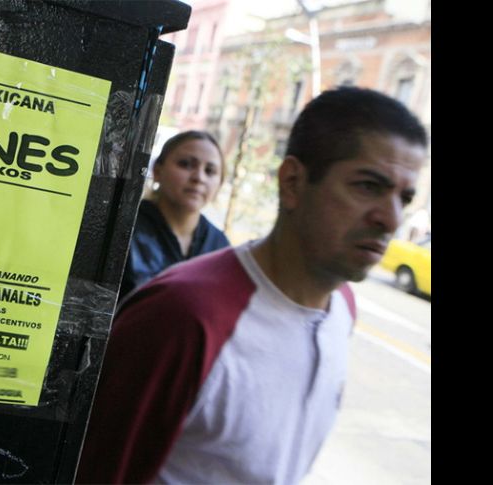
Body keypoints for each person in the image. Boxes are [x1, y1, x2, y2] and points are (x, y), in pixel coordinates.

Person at [76, 86, 428, 485]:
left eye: (405, 197)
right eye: (368, 186)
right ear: (292, 182)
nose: (391, 219)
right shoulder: (182, 316)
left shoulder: (342, 308)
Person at [119, 130, 230, 301]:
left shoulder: (220, 246)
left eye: (210, 171)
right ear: (157, 171)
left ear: (219, 184)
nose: (199, 177)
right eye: (186, 164)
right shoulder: (124, 228)